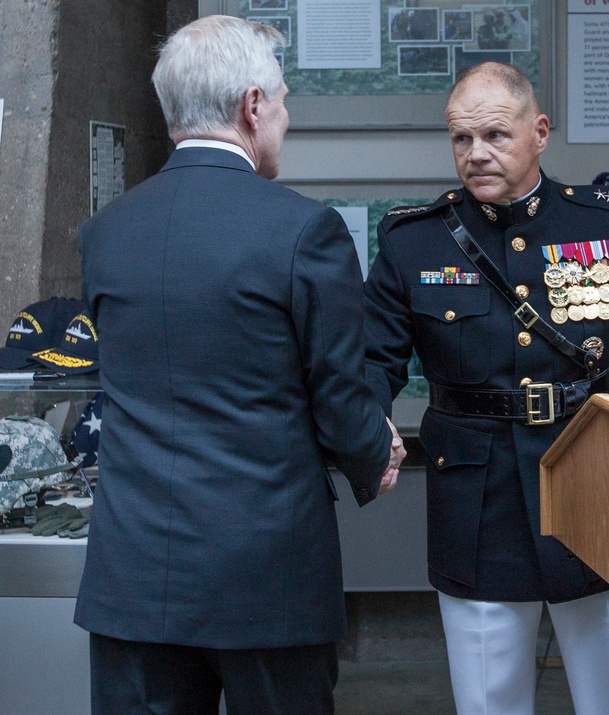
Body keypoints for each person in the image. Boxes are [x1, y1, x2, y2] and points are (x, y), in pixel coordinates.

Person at [364, 62, 609, 715]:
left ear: (539, 132)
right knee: (490, 702)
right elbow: (372, 357)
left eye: (495, 135)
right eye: (460, 138)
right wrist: (371, 420)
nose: (475, 152)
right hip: (477, 502)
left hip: (593, 487)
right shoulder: (413, 240)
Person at [74, 15, 405, 714]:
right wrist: (376, 451)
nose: (284, 118)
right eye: (282, 101)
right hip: (268, 579)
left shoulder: (106, 234)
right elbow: (339, 392)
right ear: (252, 106)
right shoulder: (303, 231)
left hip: (134, 575)